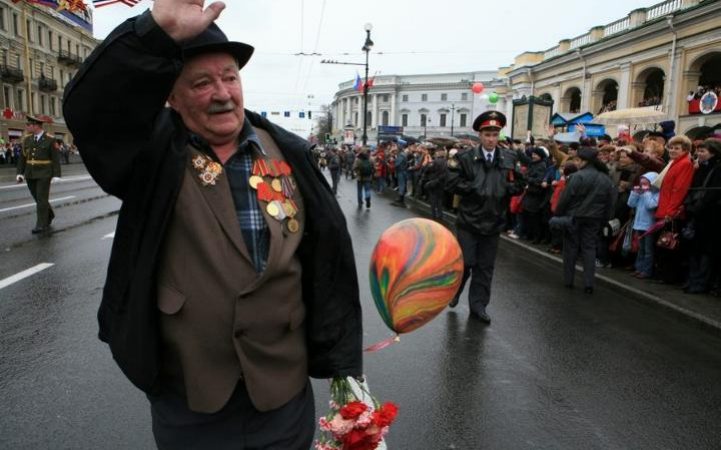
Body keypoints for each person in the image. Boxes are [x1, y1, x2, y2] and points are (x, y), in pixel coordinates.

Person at [62, 2, 363, 448]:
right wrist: (154, 31)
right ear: (172, 97)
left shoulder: (289, 153)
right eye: (202, 83)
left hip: (282, 394)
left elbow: (329, 263)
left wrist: (345, 370)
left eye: (229, 77)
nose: (222, 92)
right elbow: (93, 111)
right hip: (189, 398)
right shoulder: (152, 154)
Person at [445, 111, 525, 323]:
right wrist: (474, 188)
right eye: (487, 134)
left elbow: (519, 184)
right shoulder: (465, 158)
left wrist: (507, 188)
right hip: (469, 221)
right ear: (479, 136)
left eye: (494, 134)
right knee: (467, 262)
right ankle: (455, 290)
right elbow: (451, 182)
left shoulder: (509, 157)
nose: (491, 139)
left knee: (485, 267)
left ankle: (478, 306)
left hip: (493, 221)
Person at [555, 147, 616, 294]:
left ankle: (569, 281)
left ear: (584, 161)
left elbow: (565, 199)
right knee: (589, 249)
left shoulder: (577, 177)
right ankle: (589, 283)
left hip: (574, 217)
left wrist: (558, 213)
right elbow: (610, 202)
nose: (576, 162)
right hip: (594, 218)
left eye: (577, 160)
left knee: (571, 249)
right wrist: (605, 219)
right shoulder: (606, 179)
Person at [15, 114, 61, 234]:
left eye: (29, 125)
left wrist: (56, 174)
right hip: (30, 173)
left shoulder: (50, 139)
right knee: (37, 197)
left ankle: (41, 224)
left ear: (36, 126)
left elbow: (55, 158)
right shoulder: (27, 139)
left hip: (45, 173)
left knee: (41, 198)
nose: (27, 126)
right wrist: (20, 173)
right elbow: (22, 158)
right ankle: (49, 214)